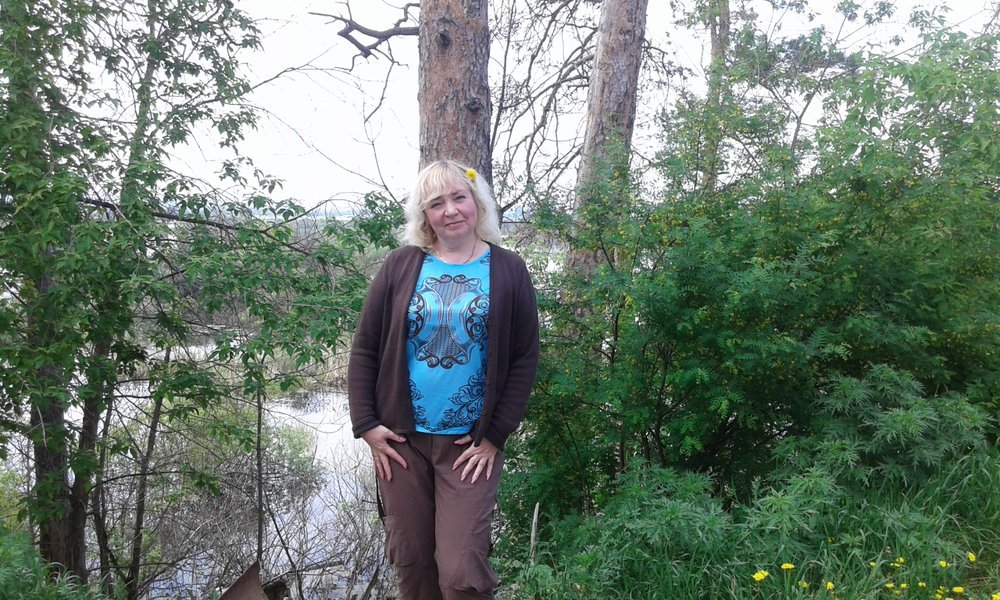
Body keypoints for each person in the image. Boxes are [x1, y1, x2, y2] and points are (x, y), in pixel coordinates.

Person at [348, 160, 539, 600]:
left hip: (469, 448)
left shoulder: (508, 269)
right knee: (412, 562)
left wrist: (495, 435)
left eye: (458, 198)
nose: (450, 210)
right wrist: (367, 425)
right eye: (436, 203)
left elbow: (524, 358)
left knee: (460, 573)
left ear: (477, 203)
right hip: (400, 443)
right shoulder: (401, 265)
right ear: (424, 215)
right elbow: (366, 347)